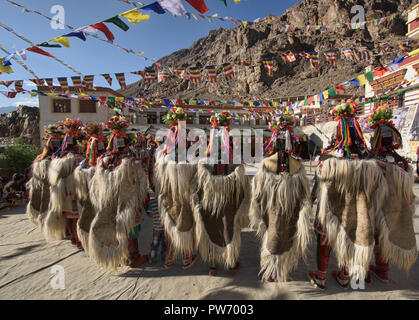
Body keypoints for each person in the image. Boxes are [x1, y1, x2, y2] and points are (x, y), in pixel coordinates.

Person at [249, 113, 311, 282]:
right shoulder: (297, 165)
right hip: (289, 211)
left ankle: (270, 271)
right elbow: (304, 195)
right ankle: (279, 270)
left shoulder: (266, 163)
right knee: (284, 235)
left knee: (272, 234)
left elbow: (257, 193)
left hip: (271, 210)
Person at [147, 191, 166, 264]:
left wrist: (155, 215)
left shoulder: (152, 202)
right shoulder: (164, 201)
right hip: (164, 228)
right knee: (164, 244)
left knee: (155, 244)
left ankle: (152, 258)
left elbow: (150, 214)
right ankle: (164, 258)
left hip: (156, 228)